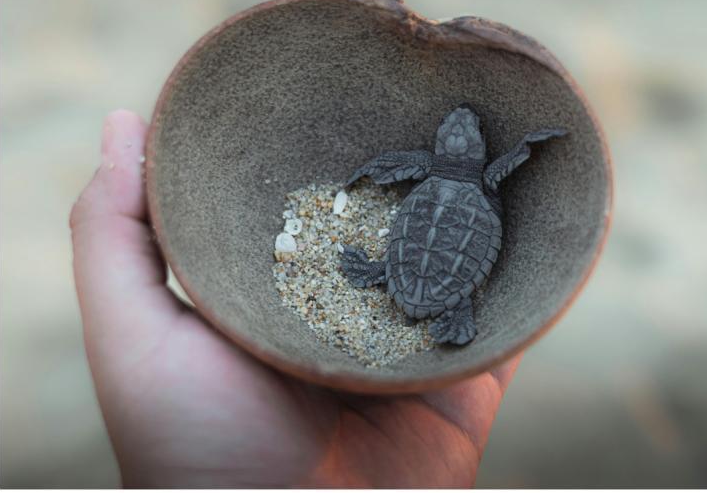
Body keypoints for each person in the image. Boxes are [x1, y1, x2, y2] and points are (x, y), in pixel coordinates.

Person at [70, 109, 522, 487]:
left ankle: (378, 274)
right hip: (457, 260)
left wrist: (369, 172)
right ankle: (447, 305)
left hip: (404, 267)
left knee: (417, 243)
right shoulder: (485, 179)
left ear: (446, 150)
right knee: (449, 258)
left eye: (465, 129)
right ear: (476, 153)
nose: (460, 123)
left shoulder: (425, 168)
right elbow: (504, 168)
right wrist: (526, 148)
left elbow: (393, 169)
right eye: (454, 127)